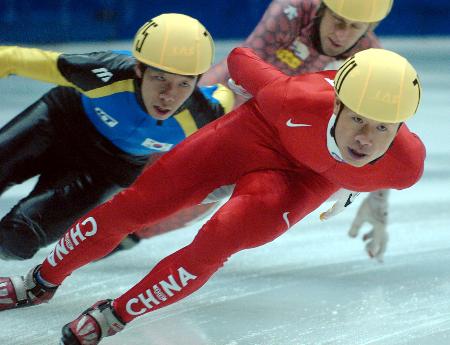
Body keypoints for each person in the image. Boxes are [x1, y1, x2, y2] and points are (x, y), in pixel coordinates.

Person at [0, 47, 424, 345]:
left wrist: (350, 188)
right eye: (358, 121)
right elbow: (241, 60)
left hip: (301, 182)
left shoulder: (405, 166)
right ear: (337, 106)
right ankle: (38, 283)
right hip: (252, 135)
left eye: (383, 128)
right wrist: (212, 99)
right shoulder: (294, 97)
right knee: (134, 206)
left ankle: (118, 313)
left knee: (219, 238)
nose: (366, 139)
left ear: (400, 126)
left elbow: (379, 173)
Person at [0, 13, 233, 260]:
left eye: (183, 84)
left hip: (107, 168)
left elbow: (227, 98)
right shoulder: (106, 72)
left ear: (197, 82)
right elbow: (12, 59)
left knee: (18, 239)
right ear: (139, 69)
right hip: (59, 122)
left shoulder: (204, 115)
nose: (169, 95)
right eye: (160, 78)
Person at [201, 0, 395, 261]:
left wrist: (375, 197)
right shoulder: (291, 12)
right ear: (322, 9)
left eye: (354, 27)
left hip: (265, 133)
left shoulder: (369, 59)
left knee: (182, 210)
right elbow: (245, 78)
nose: (341, 34)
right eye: (337, 20)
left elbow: (384, 135)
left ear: (370, 27)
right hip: (221, 98)